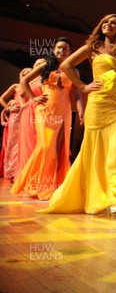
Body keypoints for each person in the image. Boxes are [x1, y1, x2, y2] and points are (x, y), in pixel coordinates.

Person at [41, 14, 116, 214]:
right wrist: (83, 87)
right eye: (105, 21)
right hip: (98, 102)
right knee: (96, 150)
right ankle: (101, 196)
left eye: (113, 23)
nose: (108, 24)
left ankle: (114, 192)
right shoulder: (93, 47)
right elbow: (66, 65)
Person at [12, 38, 84, 200]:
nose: (61, 51)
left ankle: (55, 184)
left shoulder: (73, 70)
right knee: (46, 146)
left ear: (70, 52)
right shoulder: (46, 66)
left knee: (60, 148)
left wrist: (80, 109)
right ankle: (39, 184)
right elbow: (24, 81)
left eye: (65, 49)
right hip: (45, 110)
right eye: (59, 48)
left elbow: (77, 92)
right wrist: (33, 98)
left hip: (64, 111)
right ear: (54, 50)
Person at [0, 69, 30, 181]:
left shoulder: (31, 86)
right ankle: (11, 171)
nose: (26, 77)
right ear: (20, 76)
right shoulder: (16, 86)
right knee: (13, 143)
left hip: (26, 115)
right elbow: (1, 98)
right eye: (24, 75)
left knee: (23, 143)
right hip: (15, 115)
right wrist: (8, 108)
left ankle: (21, 171)